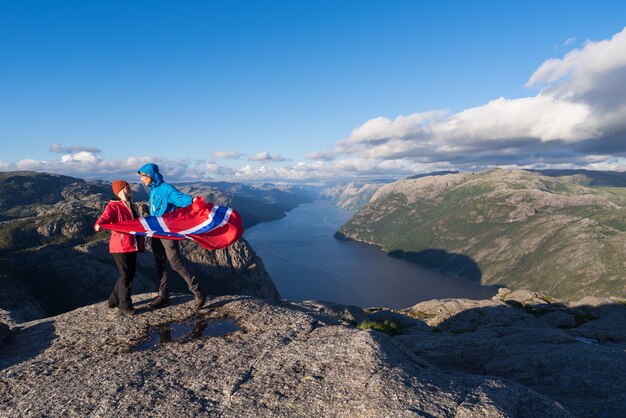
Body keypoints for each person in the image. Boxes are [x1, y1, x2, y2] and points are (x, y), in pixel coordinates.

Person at [137, 163, 206, 310]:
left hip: (168, 232)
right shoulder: (153, 191)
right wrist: (148, 209)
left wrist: (193, 200)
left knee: (175, 263)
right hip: (156, 232)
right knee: (160, 263)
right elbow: (159, 210)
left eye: (143, 177)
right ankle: (163, 296)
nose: (141, 180)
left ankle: (198, 291)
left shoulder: (166, 188)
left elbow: (180, 199)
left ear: (150, 175)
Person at [94, 180, 145, 316]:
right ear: (121, 190)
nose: (130, 189)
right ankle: (124, 304)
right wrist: (98, 225)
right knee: (126, 275)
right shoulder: (114, 206)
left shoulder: (130, 204)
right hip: (121, 246)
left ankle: (113, 300)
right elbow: (104, 218)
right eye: (127, 187)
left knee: (129, 274)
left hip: (131, 244)